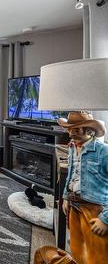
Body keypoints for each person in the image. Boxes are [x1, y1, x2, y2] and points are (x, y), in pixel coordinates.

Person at [59, 111, 108, 264]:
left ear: (89, 130)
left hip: (93, 210)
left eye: (76, 128)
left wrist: (105, 219)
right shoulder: (73, 147)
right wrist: (66, 198)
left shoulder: (103, 152)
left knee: (97, 253)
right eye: (70, 128)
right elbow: (72, 175)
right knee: (77, 248)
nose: (71, 132)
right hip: (74, 206)